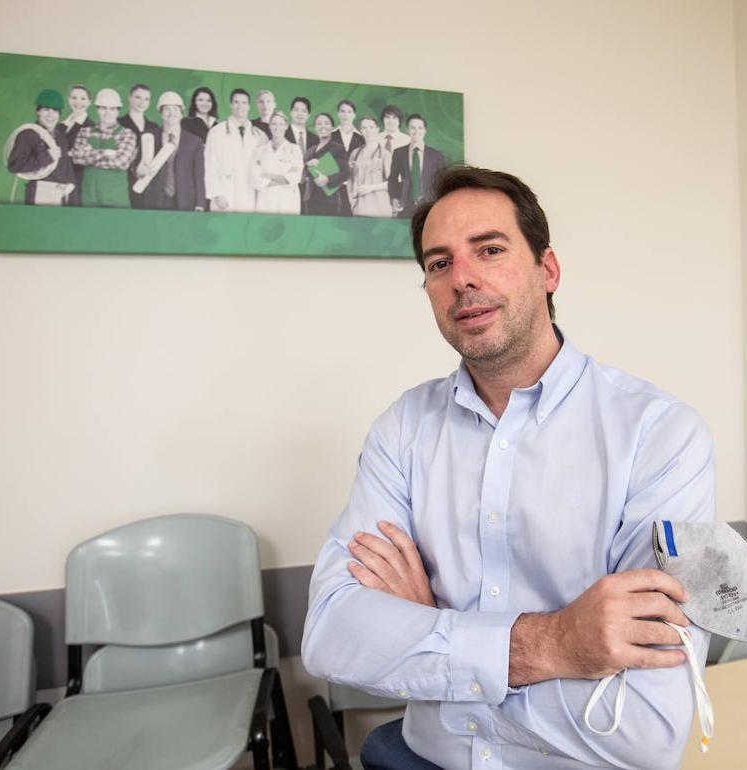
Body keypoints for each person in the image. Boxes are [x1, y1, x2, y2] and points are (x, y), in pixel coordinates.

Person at [302, 166, 714, 770]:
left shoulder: (661, 435)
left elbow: (644, 731)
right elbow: (332, 634)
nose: (462, 278)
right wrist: (557, 643)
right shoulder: (402, 428)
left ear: (548, 270)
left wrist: (431, 633)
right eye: (439, 263)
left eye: (489, 250)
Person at [68, 88, 137, 208]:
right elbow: (76, 158)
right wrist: (107, 153)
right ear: (97, 109)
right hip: (89, 197)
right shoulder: (85, 131)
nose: (107, 113)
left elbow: (121, 163)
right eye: (103, 108)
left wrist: (88, 154)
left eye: (112, 109)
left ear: (118, 110)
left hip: (116, 199)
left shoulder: (127, 134)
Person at [6, 89, 76, 205]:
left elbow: (66, 164)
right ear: (38, 111)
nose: (50, 115)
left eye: (55, 110)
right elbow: (15, 165)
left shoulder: (61, 138)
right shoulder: (29, 134)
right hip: (39, 192)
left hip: (60, 193)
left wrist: (71, 182)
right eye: (46, 109)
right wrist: (47, 156)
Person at [204, 88, 267, 212]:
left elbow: (264, 168)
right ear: (231, 105)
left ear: (249, 106)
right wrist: (216, 193)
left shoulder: (259, 135)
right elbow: (210, 164)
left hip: (250, 195)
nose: (240, 106)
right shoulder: (216, 132)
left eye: (244, 103)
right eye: (236, 102)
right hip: (225, 194)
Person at [143, 91, 205, 211]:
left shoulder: (194, 141)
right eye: (167, 109)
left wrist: (200, 203)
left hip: (185, 200)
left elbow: (199, 174)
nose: (172, 113)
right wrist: (138, 170)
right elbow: (137, 164)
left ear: (181, 113)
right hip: (155, 200)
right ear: (161, 113)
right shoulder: (149, 136)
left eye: (176, 109)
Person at [387, 114, 446, 218]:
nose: (416, 131)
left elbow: (443, 182)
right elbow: (392, 178)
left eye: (420, 128)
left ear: (425, 130)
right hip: (405, 206)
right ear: (407, 130)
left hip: (429, 206)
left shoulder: (436, 155)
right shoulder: (399, 153)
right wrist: (394, 198)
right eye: (412, 128)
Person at [250, 111, 303, 214]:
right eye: (274, 124)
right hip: (266, 201)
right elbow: (255, 179)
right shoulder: (259, 151)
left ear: (286, 126)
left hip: (288, 200)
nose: (277, 127)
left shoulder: (295, 150)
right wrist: (283, 179)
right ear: (269, 126)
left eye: (281, 124)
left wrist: (267, 175)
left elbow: (295, 177)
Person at [119, 84, 161, 209]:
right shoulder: (119, 123)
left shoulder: (154, 127)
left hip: (147, 182)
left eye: (146, 99)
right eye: (138, 97)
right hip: (123, 181)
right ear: (129, 98)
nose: (142, 102)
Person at [303, 112, 351, 217]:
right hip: (310, 199)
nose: (323, 126)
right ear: (315, 128)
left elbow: (346, 173)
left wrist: (327, 179)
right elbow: (303, 175)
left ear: (332, 127)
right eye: (319, 124)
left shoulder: (338, 148)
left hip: (329, 200)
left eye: (327, 123)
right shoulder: (310, 150)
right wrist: (307, 165)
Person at [347, 116, 391, 217]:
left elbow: (391, 183)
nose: (368, 131)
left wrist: (370, 188)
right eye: (364, 128)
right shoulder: (355, 153)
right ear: (360, 131)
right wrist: (351, 200)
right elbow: (350, 179)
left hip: (381, 206)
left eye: (371, 127)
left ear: (377, 129)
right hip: (360, 207)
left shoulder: (385, 154)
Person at [61, 84, 95, 205]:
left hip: (79, 182)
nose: (78, 102)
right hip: (58, 180)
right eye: (74, 98)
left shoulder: (92, 127)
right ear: (69, 100)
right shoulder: (60, 126)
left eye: (83, 98)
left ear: (89, 102)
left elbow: (85, 158)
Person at [286, 97, 317, 212]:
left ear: (308, 115)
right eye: (296, 110)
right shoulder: (282, 135)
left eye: (304, 111)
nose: (300, 114)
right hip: (287, 188)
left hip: (310, 192)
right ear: (291, 112)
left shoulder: (315, 139)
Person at [377, 104, 409, 180]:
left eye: (394, 118)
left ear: (399, 121)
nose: (390, 121)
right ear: (382, 119)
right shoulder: (375, 138)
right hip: (377, 181)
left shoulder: (407, 140)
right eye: (387, 117)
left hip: (400, 181)